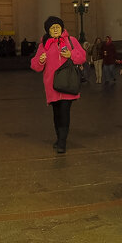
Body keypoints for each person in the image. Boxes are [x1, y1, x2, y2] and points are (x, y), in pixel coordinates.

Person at [29, 16, 86, 154]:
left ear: (62, 28)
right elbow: (35, 66)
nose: (55, 29)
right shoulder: (44, 45)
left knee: (64, 112)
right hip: (52, 85)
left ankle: (62, 143)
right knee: (56, 114)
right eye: (52, 28)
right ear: (48, 30)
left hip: (68, 83)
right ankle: (59, 138)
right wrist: (41, 60)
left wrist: (71, 54)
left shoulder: (71, 41)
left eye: (57, 27)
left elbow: (82, 57)